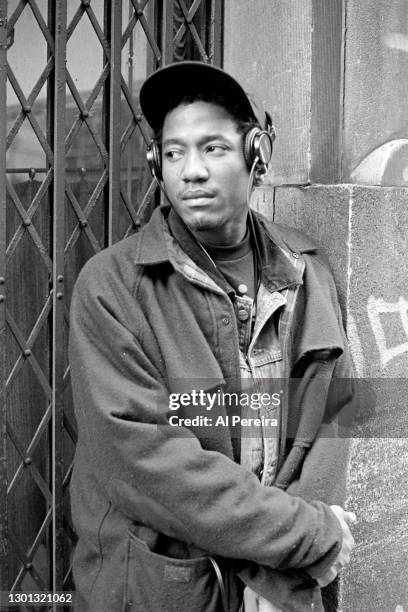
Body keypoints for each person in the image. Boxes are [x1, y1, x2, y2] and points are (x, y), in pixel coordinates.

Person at [68, 61, 356, 612]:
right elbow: (147, 464)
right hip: (160, 593)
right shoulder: (111, 286)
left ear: (256, 155)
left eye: (213, 148)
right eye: (173, 153)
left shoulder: (307, 272)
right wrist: (303, 538)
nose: (190, 171)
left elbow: (330, 422)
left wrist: (280, 583)